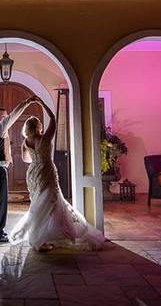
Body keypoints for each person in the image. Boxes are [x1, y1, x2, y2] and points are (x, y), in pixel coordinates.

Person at [10, 97, 105, 252]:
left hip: (33, 174)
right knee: (51, 205)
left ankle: (41, 239)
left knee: (39, 205)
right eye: (40, 125)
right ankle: (43, 239)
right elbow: (53, 118)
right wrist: (41, 103)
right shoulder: (45, 138)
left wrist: (36, 158)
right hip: (46, 171)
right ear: (39, 126)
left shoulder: (26, 142)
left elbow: (25, 159)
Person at [0, 95, 35, 243]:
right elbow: (14, 114)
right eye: (4, 116)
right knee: (0, 202)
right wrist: (27, 102)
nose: (7, 119)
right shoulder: (0, 127)